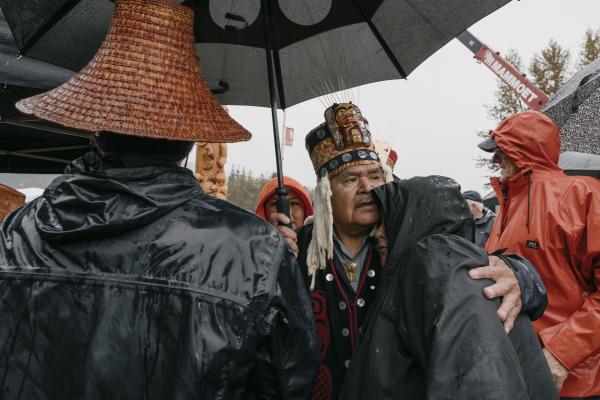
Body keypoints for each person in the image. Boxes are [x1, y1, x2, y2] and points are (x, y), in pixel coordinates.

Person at [0, 1, 318, 399]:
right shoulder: (255, 254)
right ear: (189, 137)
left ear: (96, 132)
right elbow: (288, 386)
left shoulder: (13, 235)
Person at [271, 102, 548, 400]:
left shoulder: (407, 239)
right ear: (326, 191)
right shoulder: (296, 250)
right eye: (350, 179)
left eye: (375, 176)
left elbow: (469, 267)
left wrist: (520, 276)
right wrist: (266, 259)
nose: (367, 187)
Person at [341, 176, 555, 400]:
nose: (377, 233)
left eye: (389, 220)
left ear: (417, 218)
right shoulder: (441, 268)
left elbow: (483, 384)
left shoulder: (436, 266)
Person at [479, 110, 600, 399]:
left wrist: (560, 355)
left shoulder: (584, 195)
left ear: (523, 150)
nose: (494, 160)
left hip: (578, 382)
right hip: (521, 374)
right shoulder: (508, 204)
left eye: (500, 151)